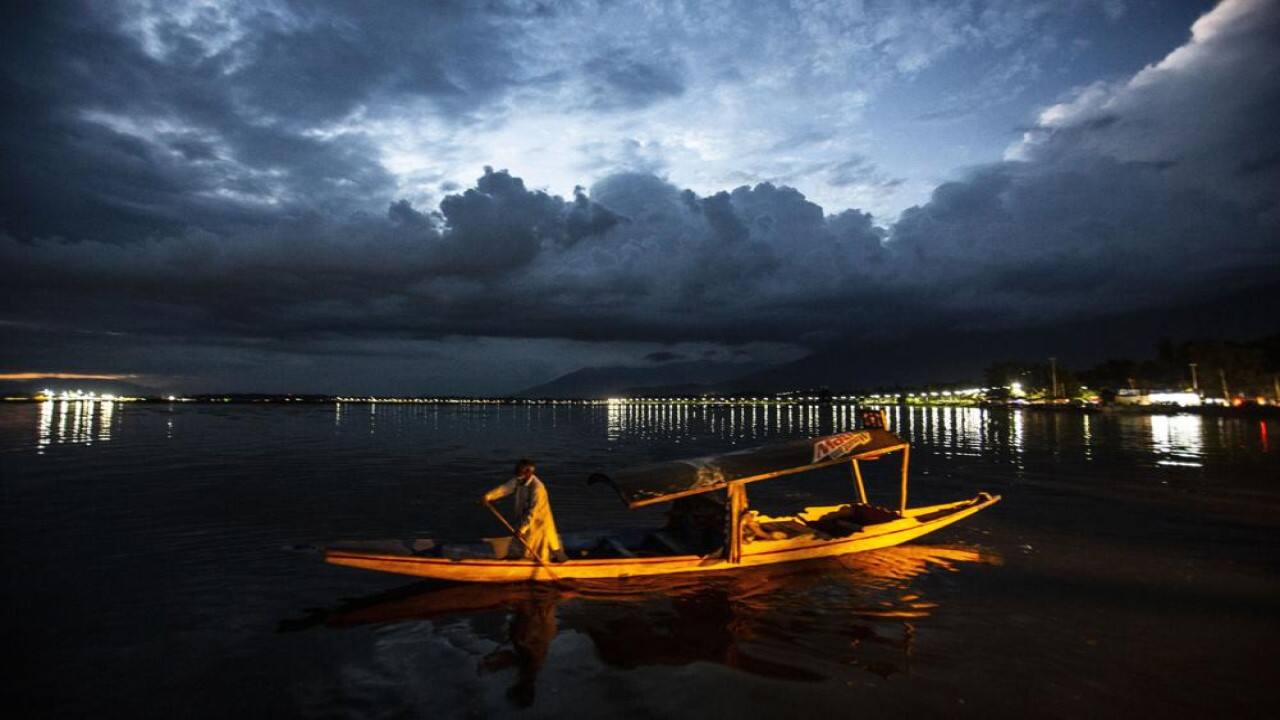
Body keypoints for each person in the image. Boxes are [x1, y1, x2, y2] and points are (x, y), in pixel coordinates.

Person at [483, 459, 567, 563]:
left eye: (520, 472)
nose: (517, 475)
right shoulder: (519, 480)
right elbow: (505, 488)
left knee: (543, 553)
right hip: (526, 523)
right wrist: (488, 496)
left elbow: (532, 512)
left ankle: (560, 565)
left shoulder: (537, 488)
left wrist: (522, 529)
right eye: (517, 472)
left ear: (528, 473)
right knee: (524, 550)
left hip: (539, 525)